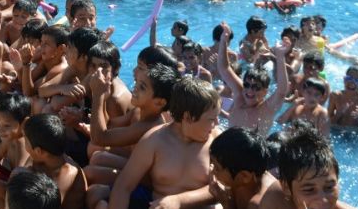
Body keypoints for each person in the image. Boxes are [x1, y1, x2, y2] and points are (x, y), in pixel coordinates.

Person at [106, 77, 222, 209]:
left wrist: (178, 201)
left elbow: (223, 189)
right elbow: (123, 186)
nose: (217, 123)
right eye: (212, 119)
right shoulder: (154, 141)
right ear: (188, 117)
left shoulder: (217, 142)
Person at [218, 22, 289, 135]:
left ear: (265, 91)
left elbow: (281, 91)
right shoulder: (239, 97)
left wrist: (280, 56)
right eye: (247, 85)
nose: (250, 90)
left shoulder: (267, 109)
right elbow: (224, 68)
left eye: (256, 87)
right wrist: (224, 40)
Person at [208, 127, 275, 209]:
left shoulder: (260, 204)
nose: (212, 170)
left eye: (217, 168)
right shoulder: (248, 173)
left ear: (245, 176)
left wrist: (226, 203)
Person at [328, 64, 358, 131]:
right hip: (336, 130)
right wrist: (338, 113)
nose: (351, 82)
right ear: (344, 79)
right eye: (348, 78)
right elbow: (326, 123)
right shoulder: (335, 96)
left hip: (355, 133)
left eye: (357, 81)